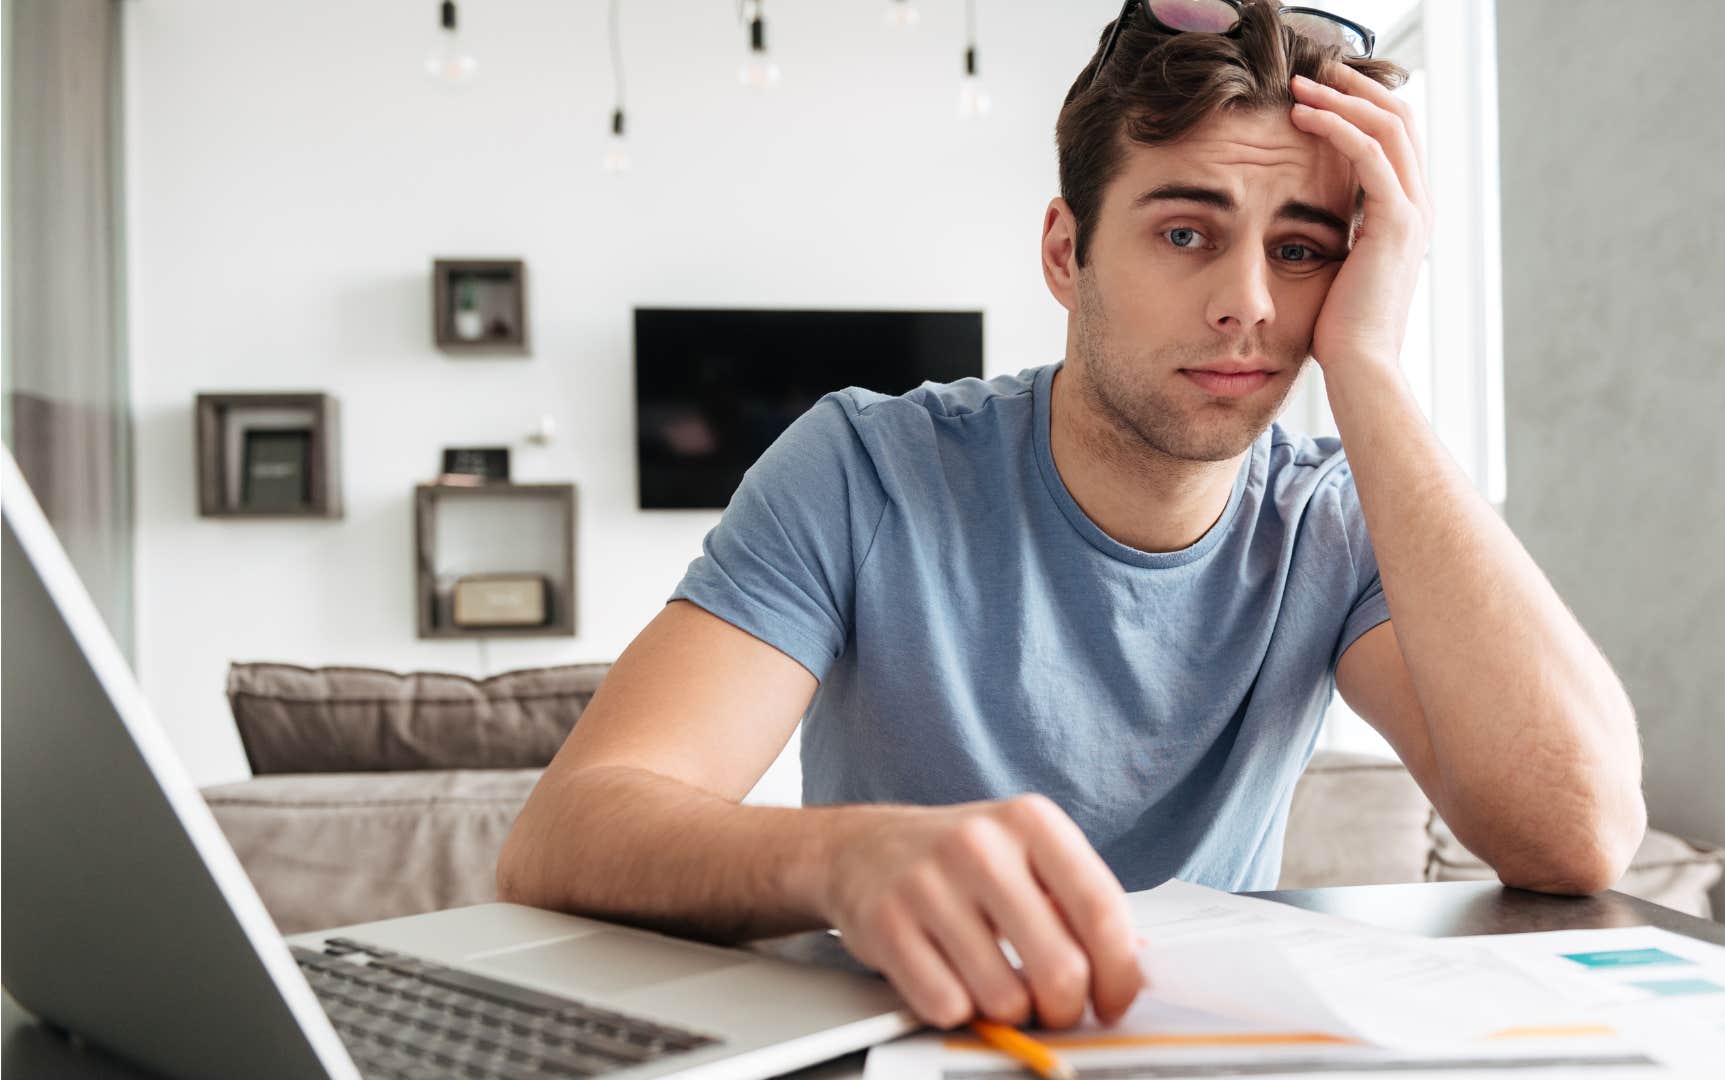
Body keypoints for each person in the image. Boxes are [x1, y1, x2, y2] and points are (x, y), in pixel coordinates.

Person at [497, 0, 1646, 1034]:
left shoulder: (1332, 519)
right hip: (916, 1039)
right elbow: (567, 835)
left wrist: (1372, 372)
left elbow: (1578, 835)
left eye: (1300, 251)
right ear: (1066, 250)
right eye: (1186, 232)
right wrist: (847, 857)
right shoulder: (865, 467)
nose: (1249, 301)